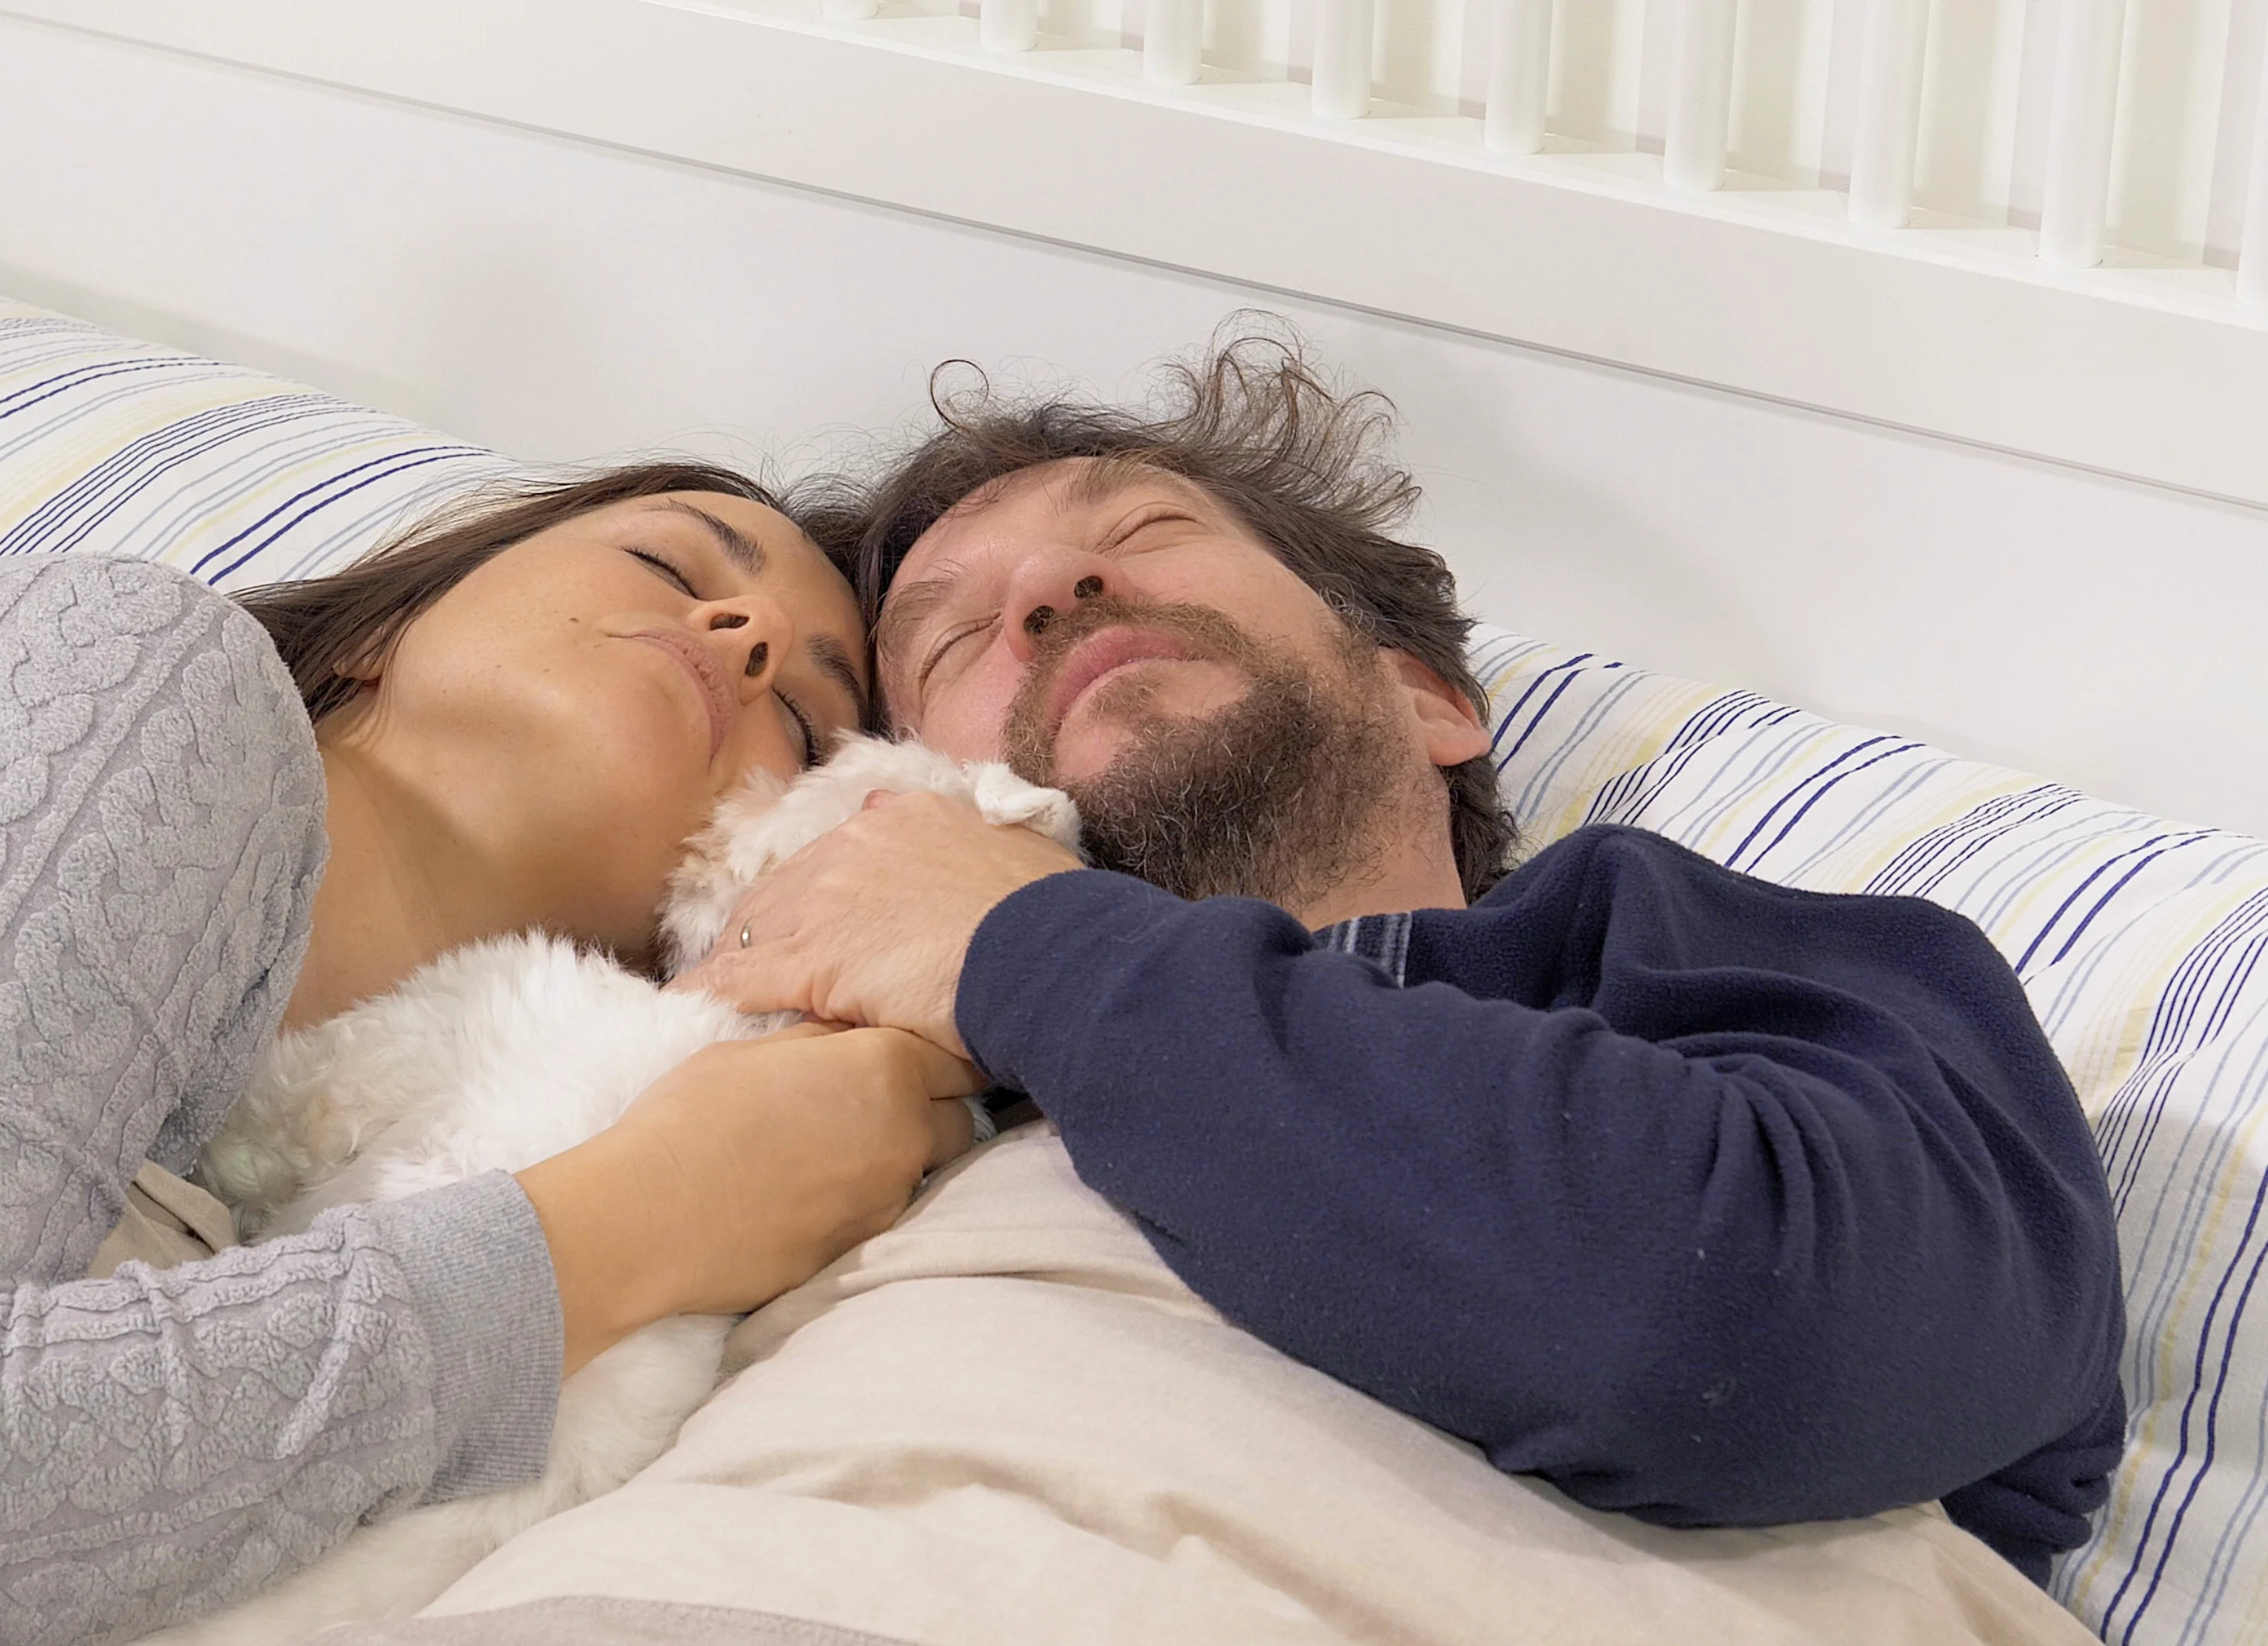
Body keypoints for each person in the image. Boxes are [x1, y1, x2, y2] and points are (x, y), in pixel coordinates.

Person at [0, 411, 977, 1645]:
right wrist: (648, 1215)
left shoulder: (229, 1249)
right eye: (668, 561)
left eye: (811, 719)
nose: (742, 633)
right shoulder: (156, 664)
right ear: (395, 621)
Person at [686, 333, 2129, 1584]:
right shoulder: (791, 1089)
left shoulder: (1713, 956)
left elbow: (1754, 1330)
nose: (1053, 590)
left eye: (1145, 534)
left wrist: (1019, 943)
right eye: (950, 642)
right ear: (888, 795)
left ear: (1427, 697)